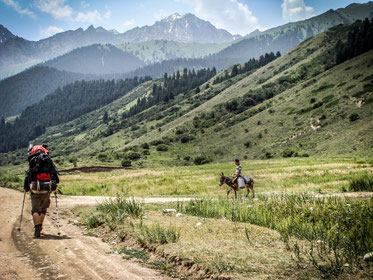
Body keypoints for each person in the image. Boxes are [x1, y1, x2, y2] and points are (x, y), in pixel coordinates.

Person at [24, 144, 59, 237]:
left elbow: (28, 175)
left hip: (35, 188)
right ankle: (41, 227)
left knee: (35, 210)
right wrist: (55, 187)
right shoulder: (48, 160)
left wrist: (26, 187)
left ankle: (37, 228)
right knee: (43, 209)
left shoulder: (33, 160)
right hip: (47, 188)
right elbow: (55, 175)